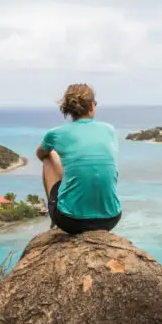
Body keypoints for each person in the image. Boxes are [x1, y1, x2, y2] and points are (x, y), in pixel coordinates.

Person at [36, 84, 122, 234]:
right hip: (111, 218)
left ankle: (54, 221)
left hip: (71, 221)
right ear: (92, 106)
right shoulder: (109, 130)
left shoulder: (56, 134)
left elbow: (40, 154)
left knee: (49, 157)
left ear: (68, 109)